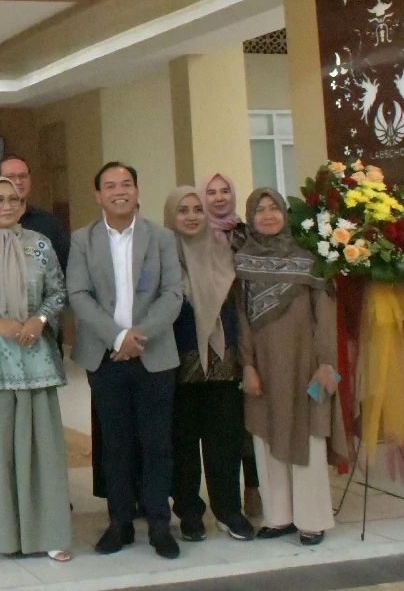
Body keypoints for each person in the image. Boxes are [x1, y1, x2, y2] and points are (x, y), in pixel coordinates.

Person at [67, 163, 183, 560]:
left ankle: (160, 524)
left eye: (126, 184)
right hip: (106, 356)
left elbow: (173, 293)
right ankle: (119, 523)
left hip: (154, 354)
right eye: (110, 186)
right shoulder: (82, 239)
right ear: (98, 195)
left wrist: (138, 337)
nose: (120, 191)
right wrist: (118, 338)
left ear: (137, 191)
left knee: (157, 444)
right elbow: (78, 294)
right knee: (114, 445)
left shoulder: (161, 237)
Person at [0, 176, 71, 561]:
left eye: (14, 199)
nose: (7, 206)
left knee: (40, 449)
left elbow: (58, 291)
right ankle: (0, 533)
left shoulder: (40, 245)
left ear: (23, 205)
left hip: (34, 356)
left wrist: (40, 319)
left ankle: (48, 533)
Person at [236, 188, 344, 547]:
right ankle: (278, 517)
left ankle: (312, 520)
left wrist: (326, 362)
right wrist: (247, 365)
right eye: (260, 210)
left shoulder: (309, 260)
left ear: (285, 214)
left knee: (308, 436)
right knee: (266, 435)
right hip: (263, 366)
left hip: (305, 362)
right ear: (250, 218)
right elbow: (241, 320)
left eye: (274, 208)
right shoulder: (242, 262)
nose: (268, 215)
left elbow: (324, 315)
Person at [163, 187, 255, 543]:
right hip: (178, 363)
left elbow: (239, 310)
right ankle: (189, 512)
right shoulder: (162, 256)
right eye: (183, 210)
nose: (191, 216)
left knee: (224, 442)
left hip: (223, 363)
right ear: (171, 216)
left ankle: (229, 511)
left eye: (197, 209)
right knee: (183, 443)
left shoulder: (223, 252)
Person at [203, 172, 264, 519]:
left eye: (225, 190)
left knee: (254, 413)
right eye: (211, 192)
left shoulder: (247, 233)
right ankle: (231, 495)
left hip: (256, 326)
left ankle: (254, 486)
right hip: (222, 333)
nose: (219, 197)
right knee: (229, 419)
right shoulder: (198, 235)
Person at [0, 154, 70, 268]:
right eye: (10, 177)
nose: (18, 182)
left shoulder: (48, 222)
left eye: (23, 176)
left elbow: (64, 267)